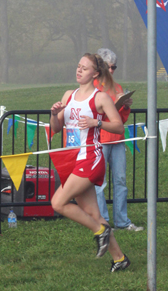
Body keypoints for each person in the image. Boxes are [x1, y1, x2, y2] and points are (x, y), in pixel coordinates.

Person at [50, 53, 130, 272]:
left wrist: (97, 122)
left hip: (91, 157)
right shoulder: (68, 95)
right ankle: (119, 258)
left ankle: (99, 231)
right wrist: (53, 113)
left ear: (95, 73)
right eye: (78, 66)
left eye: (84, 68)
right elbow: (56, 129)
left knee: (58, 203)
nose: (79, 71)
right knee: (95, 214)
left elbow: (119, 127)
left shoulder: (100, 98)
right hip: (72, 159)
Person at [94, 48, 143, 231]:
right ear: (100, 67)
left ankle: (122, 221)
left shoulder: (118, 88)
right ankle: (103, 223)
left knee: (121, 181)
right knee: (100, 183)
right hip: (100, 140)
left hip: (117, 139)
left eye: (114, 66)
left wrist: (125, 107)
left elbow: (121, 121)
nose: (112, 70)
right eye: (109, 66)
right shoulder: (93, 87)